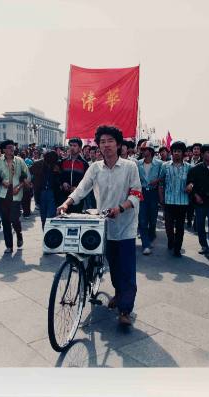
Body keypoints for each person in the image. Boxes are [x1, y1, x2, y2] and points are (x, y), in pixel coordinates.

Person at [57, 125, 142, 326]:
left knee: (127, 269)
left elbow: (137, 194)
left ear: (119, 144)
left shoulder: (130, 167)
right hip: (103, 225)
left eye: (110, 141)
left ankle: (125, 310)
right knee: (112, 265)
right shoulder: (95, 168)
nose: (106, 145)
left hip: (126, 225)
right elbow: (82, 189)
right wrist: (67, 203)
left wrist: (120, 208)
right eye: (102, 142)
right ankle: (119, 293)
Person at [0, 139, 31, 254]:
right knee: (5, 220)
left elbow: (26, 177)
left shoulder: (20, 161)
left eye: (12, 147)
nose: (12, 149)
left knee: (14, 218)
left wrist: (19, 186)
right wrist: (0, 181)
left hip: (16, 193)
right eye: (9, 147)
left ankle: (19, 234)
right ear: (3, 149)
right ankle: (9, 245)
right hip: (2, 194)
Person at [158, 141, 192, 257]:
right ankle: (170, 240)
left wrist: (191, 185)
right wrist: (161, 198)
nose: (176, 153)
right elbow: (161, 183)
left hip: (183, 201)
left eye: (179, 151)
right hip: (169, 201)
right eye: (174, 151)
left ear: (183, 153)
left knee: (180, 226)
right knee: (168, 225)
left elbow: (193, 181)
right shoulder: (165, 166)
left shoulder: (188, 167)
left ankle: (177, 248)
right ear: (171, 153)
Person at [136, 141, 163, 255]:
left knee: (152, 219)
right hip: (142, 192)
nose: (142, 152)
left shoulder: (160, 164)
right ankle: (145, 244)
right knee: (142, 220)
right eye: (141, 150)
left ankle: (151, 236)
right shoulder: (137, 164)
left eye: (144, 149)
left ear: (151, 151)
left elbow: (163, 178)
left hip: (153, 193)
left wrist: (157, 181)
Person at [31, 150, 61, 230]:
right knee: (43, 217)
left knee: (51, 216)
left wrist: (58, 172)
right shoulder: (37, 164)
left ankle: (49, 233)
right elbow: (30, 174)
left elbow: (60, 178)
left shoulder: (57, 165)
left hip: (52, 193)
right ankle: (45, 233)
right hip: (41, 192)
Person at [59, 137, 89, 213]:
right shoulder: (63, 162)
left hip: (78, 197)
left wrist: (77, 188)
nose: (72, 147)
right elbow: (59, 176)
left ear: (79, 148)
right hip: (63, 196)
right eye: (71, 145)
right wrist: (63, 183)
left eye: (75, 146)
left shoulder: (84, 164)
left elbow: (86, 181)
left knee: (76, 219)